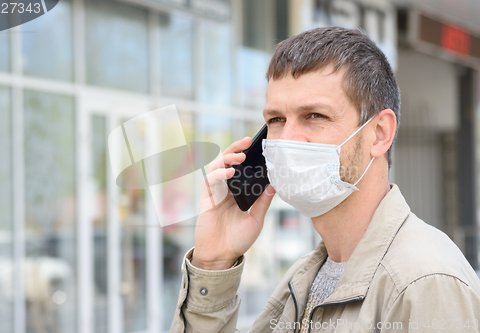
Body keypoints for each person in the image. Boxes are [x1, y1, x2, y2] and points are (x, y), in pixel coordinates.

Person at [170, 27, 480, 333]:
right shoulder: (304, 278)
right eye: (276, 120)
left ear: (380, 133)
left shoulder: (425, 284)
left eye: (315, 116)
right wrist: (213, 262)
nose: (288, 139)